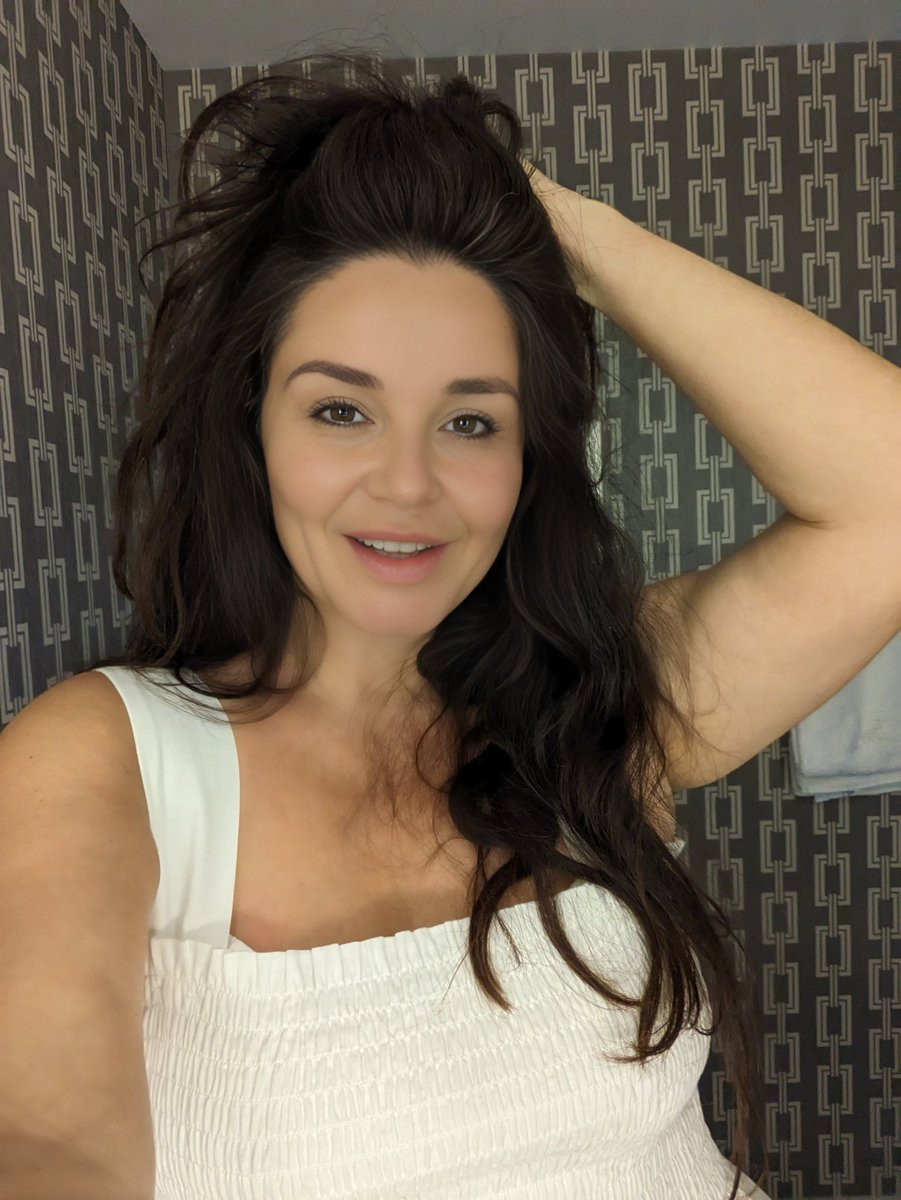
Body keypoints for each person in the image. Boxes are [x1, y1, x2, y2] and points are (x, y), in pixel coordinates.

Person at [3, 48, 900, 1200]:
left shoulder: (595, 708)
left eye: (471, 421)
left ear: (529, 459)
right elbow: (45, 1140)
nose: (407, 484)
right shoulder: (106, 757)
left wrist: (566, 237)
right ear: (253, 428)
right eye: (341, 410)